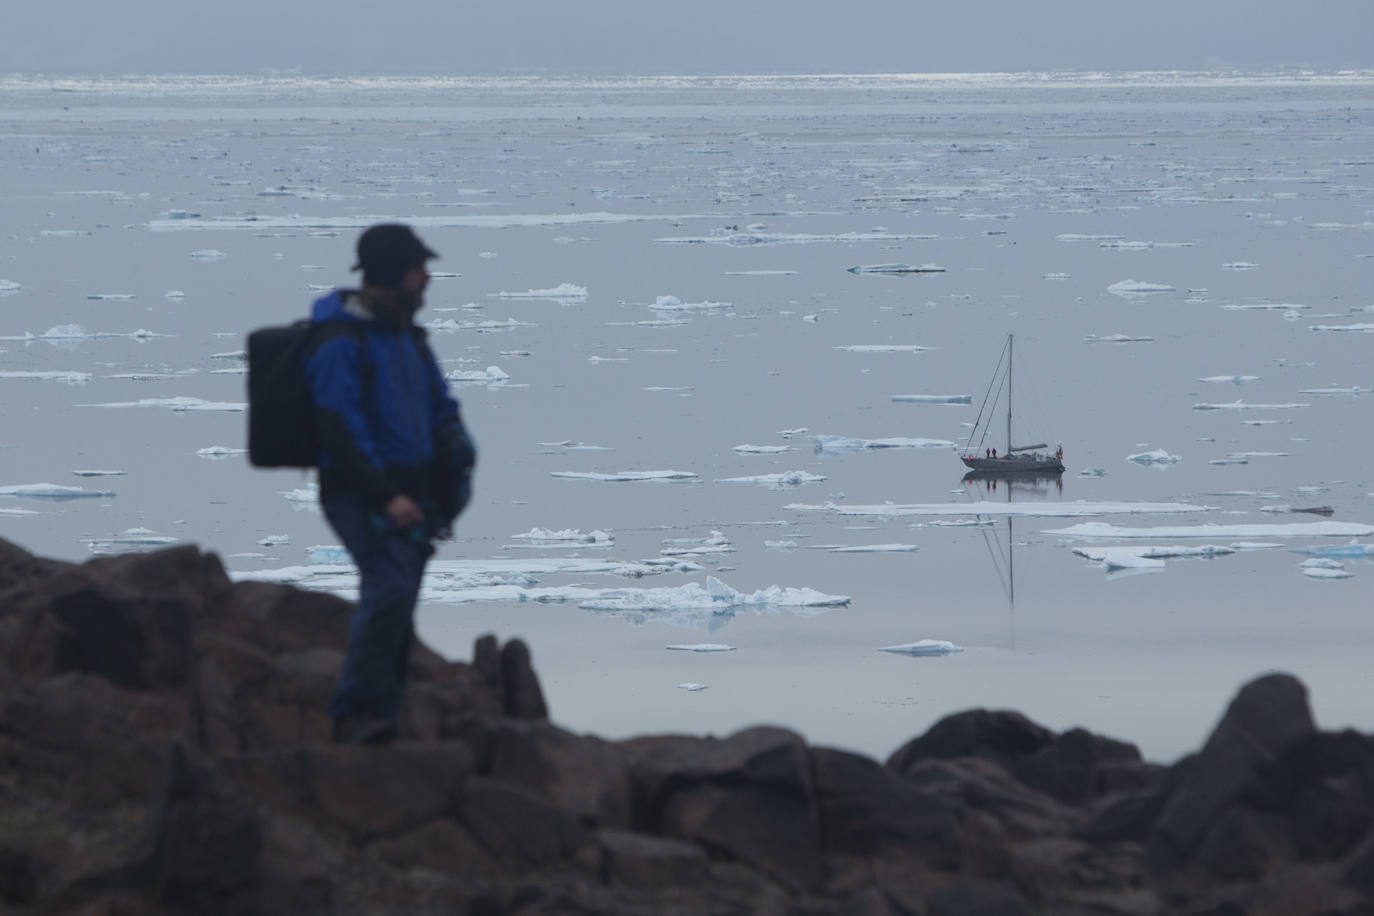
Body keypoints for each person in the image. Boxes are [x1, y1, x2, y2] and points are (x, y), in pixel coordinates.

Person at [305, 223, 476, 745]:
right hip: (364, 496)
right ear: (393, 273)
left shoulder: (405, 337)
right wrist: (386, 496)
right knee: (389, 592)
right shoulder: (341, 340)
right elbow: (338, 427)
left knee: (399, 599)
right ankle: (357, 715)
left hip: (413, 497)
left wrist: (456, 457)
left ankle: (385, 713)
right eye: (418, 269)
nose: (426, 279)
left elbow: (439, 405)